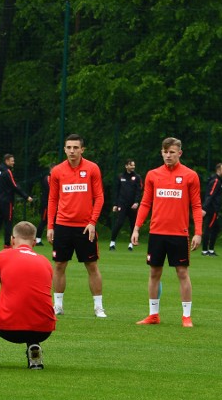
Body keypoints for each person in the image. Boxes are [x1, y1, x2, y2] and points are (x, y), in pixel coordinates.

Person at [131, 137, 202, 327]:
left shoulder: (190, 175)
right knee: (154, 272)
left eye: (172, 152)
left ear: (180, 153)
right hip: (157, 232)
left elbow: (196, 206)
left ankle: (186, 316)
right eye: (165, 152)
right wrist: (137, 228)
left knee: (182, 273)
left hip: (179, 233)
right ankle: (153, 314)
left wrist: (198, 232)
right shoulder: (153, 175)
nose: (168, 155)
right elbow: (146, 203)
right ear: (161, 153)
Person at [0, 221, 55, 369]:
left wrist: (0, 279)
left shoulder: (3, 256)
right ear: (34, 242)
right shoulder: (45, 262)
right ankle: (33, 348)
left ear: (12, 239)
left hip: (11, 330)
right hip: (44, 330)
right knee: (32, 301)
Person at [47, 134, 106, 318]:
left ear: (82, 149)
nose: (72, 151)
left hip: (85, 227)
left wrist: (92, 223)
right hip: (63, 225)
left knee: (92, 266)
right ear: (64, 149)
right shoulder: (57, 171)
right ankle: (58, 306)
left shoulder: (92, 168)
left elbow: (99, 197)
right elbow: (52, 199)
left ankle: (98, 307)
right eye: (69, 147)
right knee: (59, 265)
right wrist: (50, 226)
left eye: (75, 147)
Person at [0, 154, 33, 248]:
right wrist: (26, 196)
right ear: (7, 161)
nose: (14, 163)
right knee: (8, 222)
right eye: (12, 161)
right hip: (7, 201)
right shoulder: (7, 172)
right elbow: (14, 185)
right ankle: (7, 243)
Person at [109, 159, 142, 251]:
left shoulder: (137, 177)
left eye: (134, 165)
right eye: (131, 165)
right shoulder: (120, 176)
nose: (133, 167)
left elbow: (138, 191)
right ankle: (112, 243)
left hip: (132, 206)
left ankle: (131, 245)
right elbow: (116, 191)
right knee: (119, 223)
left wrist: (136, 202)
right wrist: (115, 204)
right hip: (122, 204)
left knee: (133, 224)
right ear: (126, 166)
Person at [201, 163, 222, 256]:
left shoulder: (219, 181)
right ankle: (205, 250)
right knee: (208, 228)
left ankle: (211, 250)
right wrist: (204, 208)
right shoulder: (216, 181)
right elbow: (210, 194)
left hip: (215, 209)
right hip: (212, 209)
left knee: (216, 228)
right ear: (218, 170)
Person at [34, 173, 50, 246]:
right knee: (43, 221)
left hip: (51, 204)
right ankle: (37, 239)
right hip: (46, 204)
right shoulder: (48, 178)